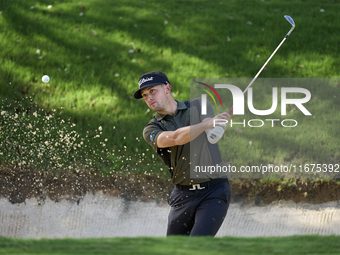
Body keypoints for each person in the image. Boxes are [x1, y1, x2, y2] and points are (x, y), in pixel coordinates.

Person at [134, 71, 231, 236]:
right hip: (183, 196)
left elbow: (212, 137)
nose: (148, 97)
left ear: (167, 88)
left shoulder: (199, 106)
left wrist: (216, 128)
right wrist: (205, 125)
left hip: (213, 191)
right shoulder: (151, 129)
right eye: (144, 95)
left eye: (152, 91)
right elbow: (176, 138)